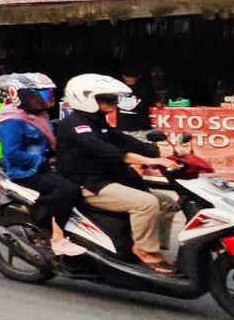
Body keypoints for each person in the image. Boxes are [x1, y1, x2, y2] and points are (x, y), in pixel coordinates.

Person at [56, 73, 178, 272]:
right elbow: (108, 151)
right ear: (86, 98)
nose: (115, 103)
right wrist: (150, 160)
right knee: (146, 203)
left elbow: (126, 140)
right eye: (109, 99)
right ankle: (144, 250)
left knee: (167, 203)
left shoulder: (98, 121)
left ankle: (155, 246)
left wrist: (168, 151)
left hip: (108, 179)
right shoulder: (75, 124)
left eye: (115, 98)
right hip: (88, 184)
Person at [0, 74, 80, 256]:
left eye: (47, 95)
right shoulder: (12, 120)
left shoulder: (40, 115)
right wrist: (41, 161)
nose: (43, 100)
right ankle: (57, 237)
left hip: (44, 166)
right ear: (18, 95)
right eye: (37, 96)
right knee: (68, 190)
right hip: (27, 173)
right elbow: (12, 154)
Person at [115, 68, 152, 133]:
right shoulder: (117, 88)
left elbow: (157, 103)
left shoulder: (145, 89)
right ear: (123, 76)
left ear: (138, 76)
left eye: (132, 77)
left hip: (140, 127)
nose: (130, 79)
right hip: (121, 126)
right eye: (127, 76)